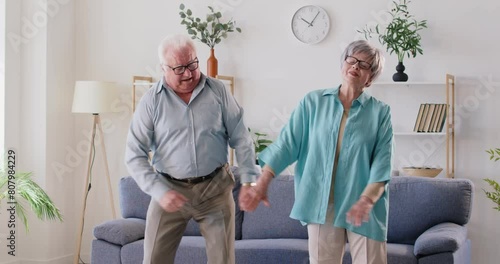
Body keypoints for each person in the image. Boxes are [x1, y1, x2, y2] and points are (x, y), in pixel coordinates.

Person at [239, 40, 393, 264]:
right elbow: (287, 145)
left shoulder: (380, 113)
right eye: (351, 59)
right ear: (343, 65)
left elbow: (382, 163)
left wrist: (367, 200)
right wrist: (262, 182)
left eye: (364, 65)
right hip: (322, 203)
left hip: (364, 203)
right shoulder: (313, 102)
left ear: (370, 79)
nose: (355, 66)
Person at [125, 34, 259, 264]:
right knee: (154, 259)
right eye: (179, 68)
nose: (188, 74)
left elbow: (242, 138)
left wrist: (249, 181)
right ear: (163, 69)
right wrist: (159, 191)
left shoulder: (218, 92)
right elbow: (134, 155)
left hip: (214, 190)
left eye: (192, 64)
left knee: (223, 261)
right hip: (168, 189)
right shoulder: (151, 102)